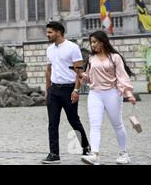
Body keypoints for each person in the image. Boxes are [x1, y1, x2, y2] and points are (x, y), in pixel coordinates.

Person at [79, 31, 136, 165]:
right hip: (94, 94)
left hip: (112, 93)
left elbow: (122, 77)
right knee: (94, 125)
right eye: (91, 42)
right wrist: (81, 75)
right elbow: (88, 78)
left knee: (117, 124)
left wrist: (129, 94)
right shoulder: (91, 59)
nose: (92, 45)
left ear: (103, 42)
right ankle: (94, 154)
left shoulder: (115, 57)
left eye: (94, 42)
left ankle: (123, 153)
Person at [42, 21, 91, 164]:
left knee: (73, 120)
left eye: (50, 32)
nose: (47, 34)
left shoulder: (73, 48)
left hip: (69, 89)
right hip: (54, 90)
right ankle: (54, 154)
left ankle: (86, 147)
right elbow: (48, 70)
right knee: (52, 123)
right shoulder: (50, 49)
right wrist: (48, 90)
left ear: (59, 32)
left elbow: (79, 72)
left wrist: (76, 90)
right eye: (47, 32)